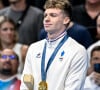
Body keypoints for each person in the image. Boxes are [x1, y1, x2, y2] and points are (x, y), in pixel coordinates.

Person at [20, 0, 88, 90]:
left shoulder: (77, 51)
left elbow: (73, 88)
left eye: (53, 15)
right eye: (45, 15)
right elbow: (25, 85)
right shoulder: (34, 48)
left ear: (66, 20)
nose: (47, 19)